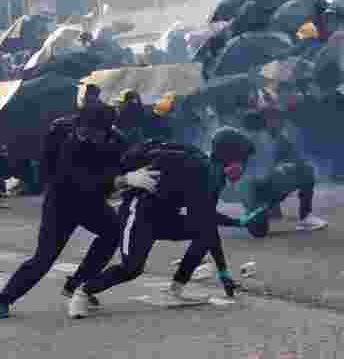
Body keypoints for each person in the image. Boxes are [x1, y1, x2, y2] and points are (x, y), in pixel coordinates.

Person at [67, 127, 261, 318]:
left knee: (204, 233)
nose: (244, 167)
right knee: (131, 268)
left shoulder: (212, 174)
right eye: (243, 161)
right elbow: (205, 220)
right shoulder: (204, 173)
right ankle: (82, 292)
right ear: (231, 160)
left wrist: (224, 273)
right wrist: (236, 225)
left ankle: (174, 291)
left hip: (162, 216)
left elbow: (206, 222)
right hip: (139, 214)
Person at [0, 104, 155, 319]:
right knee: (44, 258)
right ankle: (3, 299)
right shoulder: (60, 133)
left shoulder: (116, 140)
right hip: (61, 201)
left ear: (106, 130)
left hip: (92, 201)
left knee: (113, 233)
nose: (87, 137)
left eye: (94, 133)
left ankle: (78, 283)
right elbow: (63, 174)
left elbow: (130, 162)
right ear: (78, 124)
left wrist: (142, 170)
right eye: (83, 131)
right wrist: (118, 180)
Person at [240, 110, 327, 235]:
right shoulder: (268, 139)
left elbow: (296, 159)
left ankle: (301, 215)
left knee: (304, 170)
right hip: (258, 193)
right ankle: (271, 210)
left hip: (262, 191)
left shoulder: (274, 139)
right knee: (258, 230)